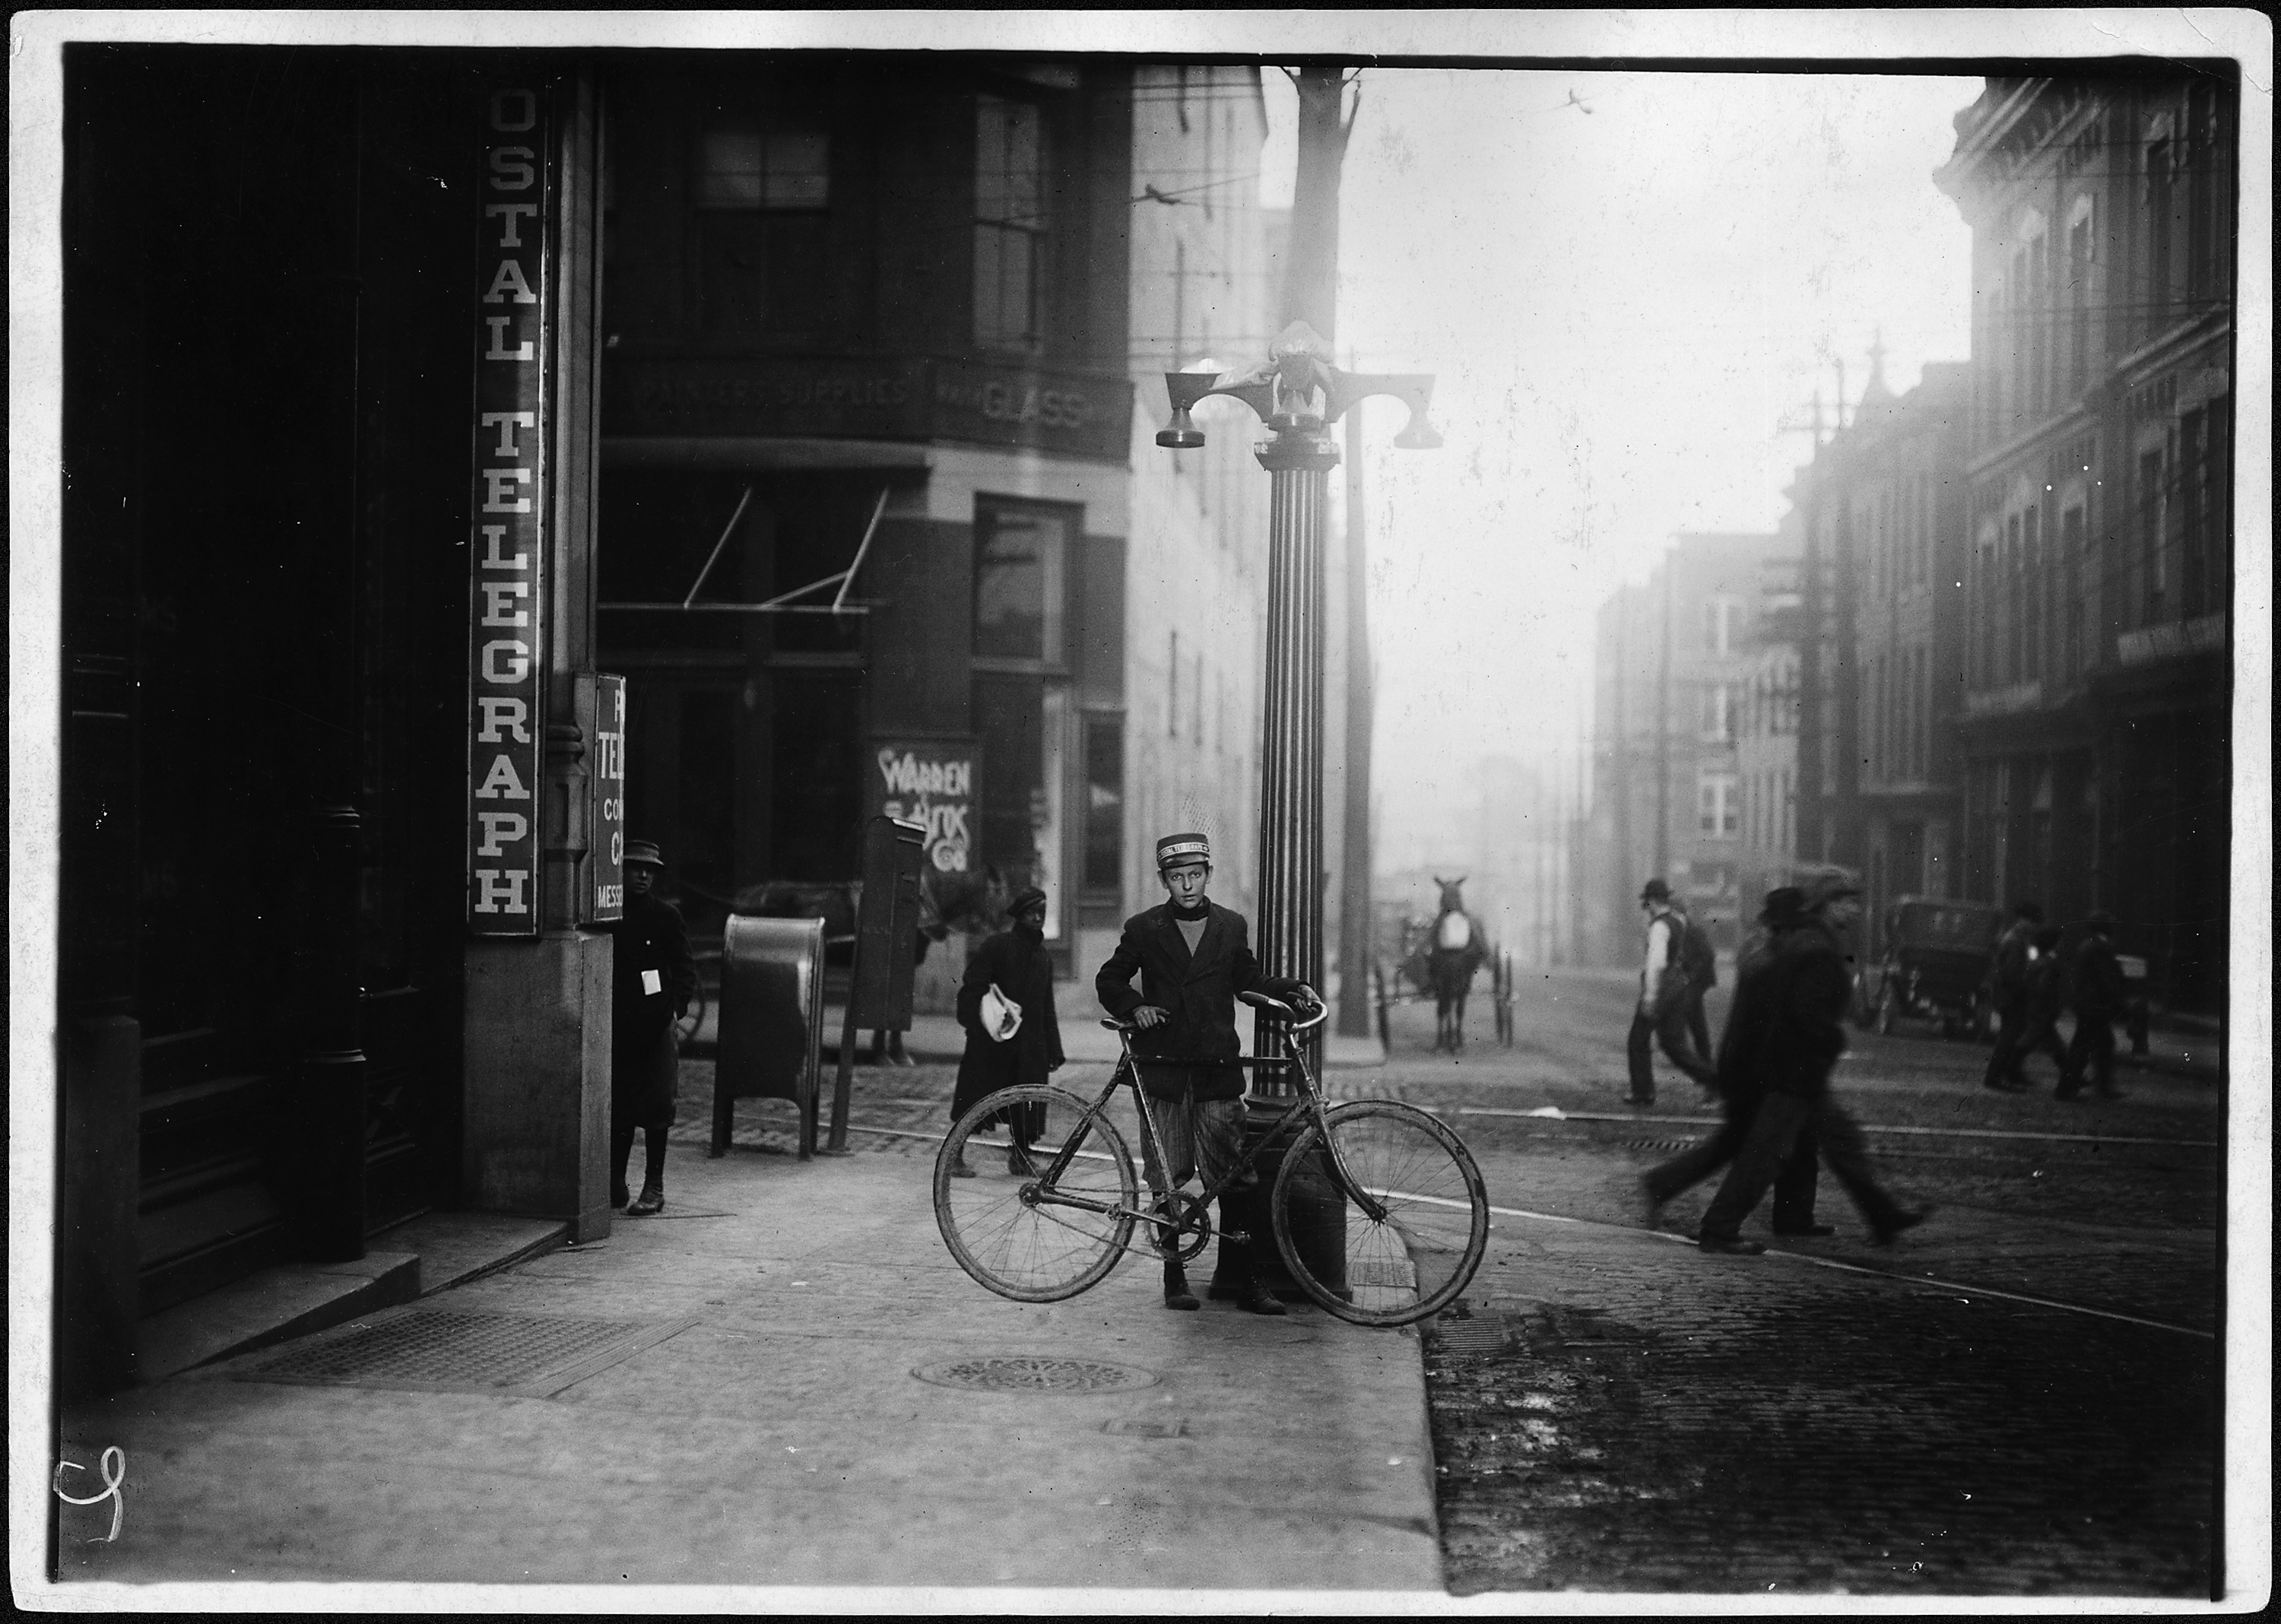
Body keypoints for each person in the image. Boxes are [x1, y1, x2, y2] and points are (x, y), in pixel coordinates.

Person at [1096, 831, 1314, 1315]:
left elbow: (1248, 982)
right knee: (1169, 1179)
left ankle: (1250, 1281)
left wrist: (1291, 988)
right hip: (1164, 1071)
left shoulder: (1230, 926)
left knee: (1234, 1176)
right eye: (1177, 878)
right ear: (1165, 881)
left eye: (1195, 875)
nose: (1187, 886)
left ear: (1208, 875)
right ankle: (1175, 1275)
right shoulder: (1144, 928)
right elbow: (1110, 979)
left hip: (1216, 1070)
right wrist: (1137, 1007)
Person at [1694, 868, 1930, 1254]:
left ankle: (1883, 1215)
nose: (1855, 910)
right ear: (1825, 905)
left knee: (1843, 1141)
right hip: (1795, 1073)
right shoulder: (1816, 948)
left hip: (1800, 1070)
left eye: (1856, 901)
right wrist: (1833, 1039)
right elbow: (1806, 1016)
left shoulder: (1810, 941)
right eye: (1845, 902)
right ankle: (1719, 1228)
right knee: (1765, 1154)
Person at [1642, 887, 1830, 1237]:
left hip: (1754, 1067)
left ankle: (1794, 1217)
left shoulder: (1764, 949)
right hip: (1756, 1070)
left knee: (1787, 1140)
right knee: (1747, 1145)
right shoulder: (1769, 955)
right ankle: (1689, 1202)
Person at [945, 886, 1064, 1176]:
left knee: (1028, 1100)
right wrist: (975, 1025)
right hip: (992, 1041)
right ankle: (954, 1157)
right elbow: (974, 984)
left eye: (1042, 913)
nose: (1037, 918)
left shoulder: (1043, 958)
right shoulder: (998, 945)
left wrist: (1053, 1049)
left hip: (1030, 1045)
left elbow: (1047, 1006)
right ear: (1019, 916)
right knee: (975, 1097)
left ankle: (1021, 1156)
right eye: (1031, 913)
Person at [608, 839, 696, 1216]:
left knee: (658, 1104)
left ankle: (654, 1186)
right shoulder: (608, 916)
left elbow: (684, 968)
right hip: (618, 1026)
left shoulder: (666, 916)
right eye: (635, 868)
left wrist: (675, 1010)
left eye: (650, 870)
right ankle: (615, 1181)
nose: (643, 875)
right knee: (621, 1105)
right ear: (620, 871)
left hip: (657, 1025)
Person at [1628, 879, 1719, 1105]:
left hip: (1660, 990)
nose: (1646, 909)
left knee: (1638, 1041)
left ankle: (1643, 1092)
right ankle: (1716, 1080)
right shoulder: (1679, 920)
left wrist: (1649, 996)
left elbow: (1656, 964)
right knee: (1674, 1044)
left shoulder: (1659, 926)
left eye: (1647, 903)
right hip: (1677, 989)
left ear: (1651, 901)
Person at [1998, 922, 2079, 1093]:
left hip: (2039, 1007)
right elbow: (2044, 987)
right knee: (2030, 1040)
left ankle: (2072, 1076)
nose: (2062, 944)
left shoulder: (2038, 959)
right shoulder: (2049, 962)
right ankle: (2011, 1070)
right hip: (2043, 1008)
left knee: (2053, 1042)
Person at [2059, 910, 2128, 1102]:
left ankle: (2099, 1088)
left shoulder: (2090, 945)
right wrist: (2120, 1002)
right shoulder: (2098, 947)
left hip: (2088, 1005)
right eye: (2110, 923)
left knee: (2098, 1045)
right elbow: (2107, 980)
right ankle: (2068, 1090)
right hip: (2094, 1006)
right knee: (2084, 1048)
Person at [1979, 900, 2045, 1092]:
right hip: (2012, 997)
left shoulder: (2015, 938)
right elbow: (2012, 974)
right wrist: (2025, 991)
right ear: (2024, 920)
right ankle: (1996, 1077)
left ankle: (2007, 1074)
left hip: (2008, 995)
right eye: (2032, 922)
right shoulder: (2016, 941)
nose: (2034, 926)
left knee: (2011, 1036)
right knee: (2008, 1038)